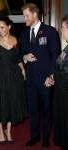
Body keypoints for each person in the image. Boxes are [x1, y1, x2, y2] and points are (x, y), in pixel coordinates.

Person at [21, 3, 61, 148]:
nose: (24, 18)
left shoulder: (50, 32)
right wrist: (25, 57)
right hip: (30, 80)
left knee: (47, 110)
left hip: (45, 80)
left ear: (35, 15)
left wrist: (51, 76)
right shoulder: (24, 34)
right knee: (33, 110)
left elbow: (55, 56)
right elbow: (21, 53)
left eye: (26, 16)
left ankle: (45, 138)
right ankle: (35, 136)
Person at [0, 16, 27, 144]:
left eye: (2, 27)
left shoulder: (17, 41)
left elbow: (18, 57)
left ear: (9, 26)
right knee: (0, 101)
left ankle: (8, 130)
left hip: (14, 75)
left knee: (11, 101)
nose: (0, 30)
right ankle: (0, 130)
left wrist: (23, 69)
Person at [50, 14, 68, 150]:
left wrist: (55, 78)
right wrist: (53, 77)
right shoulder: (66, 48)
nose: (61, 31)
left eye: (63, 27)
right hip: (62, 93)